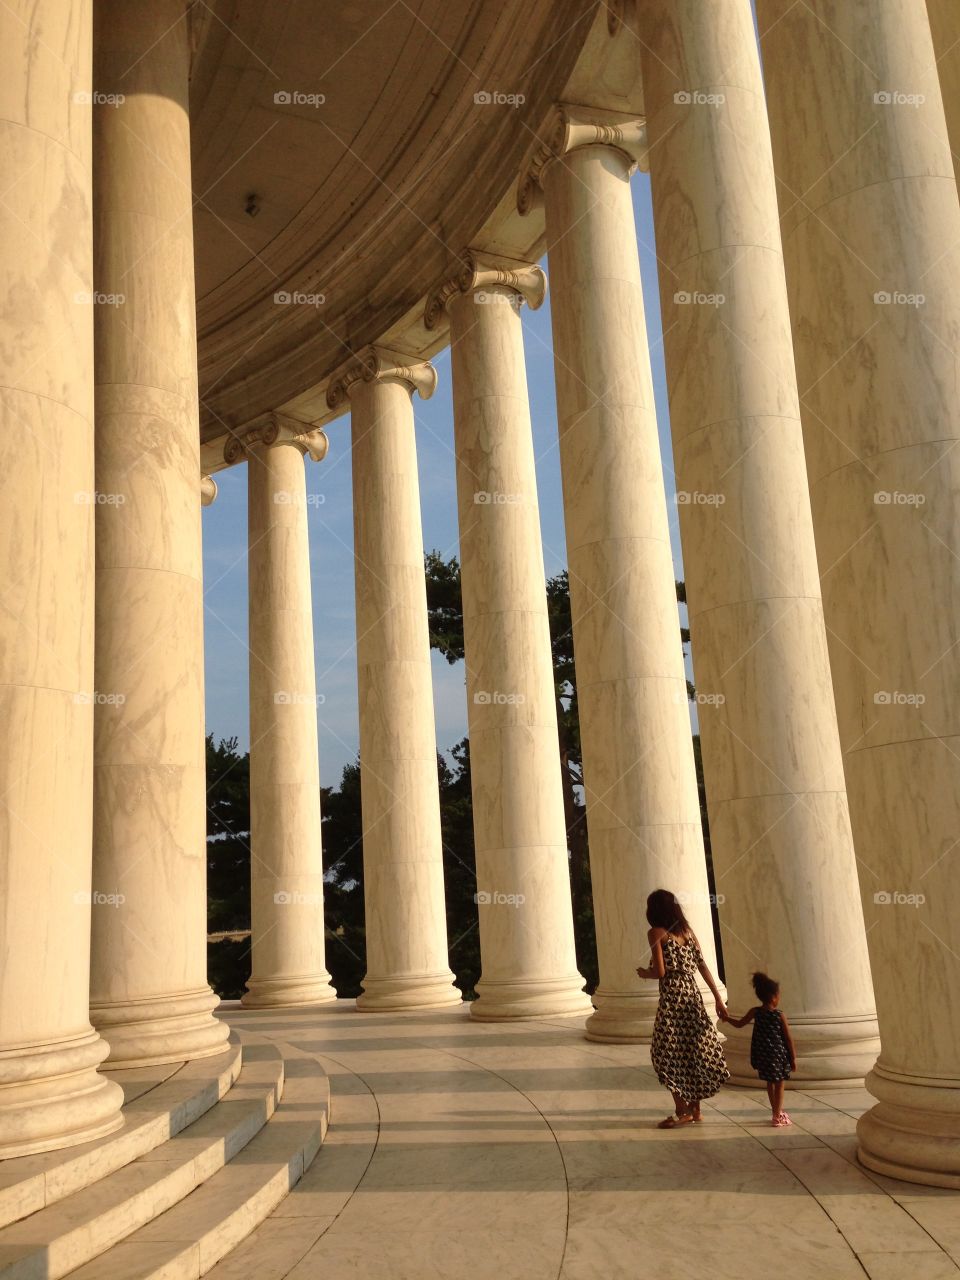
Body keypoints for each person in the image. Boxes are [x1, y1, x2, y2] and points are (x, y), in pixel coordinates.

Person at [636, 888, 729, 1128]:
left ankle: (682, 1110)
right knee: (692, 1052)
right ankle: (695, 1110)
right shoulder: (687, 932)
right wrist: (718, 999)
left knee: (666, 1053)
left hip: (673, 998)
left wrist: (644, 973)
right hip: (692, 996)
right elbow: (703, 966)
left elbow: (661, 972)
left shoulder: (656, 932)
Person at [723, 971, 797, 1126]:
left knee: (770, 1082)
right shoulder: (779, 1015)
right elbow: (788, 1039)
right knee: (780, 1083)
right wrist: (793, 1058)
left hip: (762, 1053)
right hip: (778, 1054)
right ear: (774, 996)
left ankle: (775, 1112)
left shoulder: (755, 1012)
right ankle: (777, 1115)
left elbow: (739, 1024)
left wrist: (727, 1018)